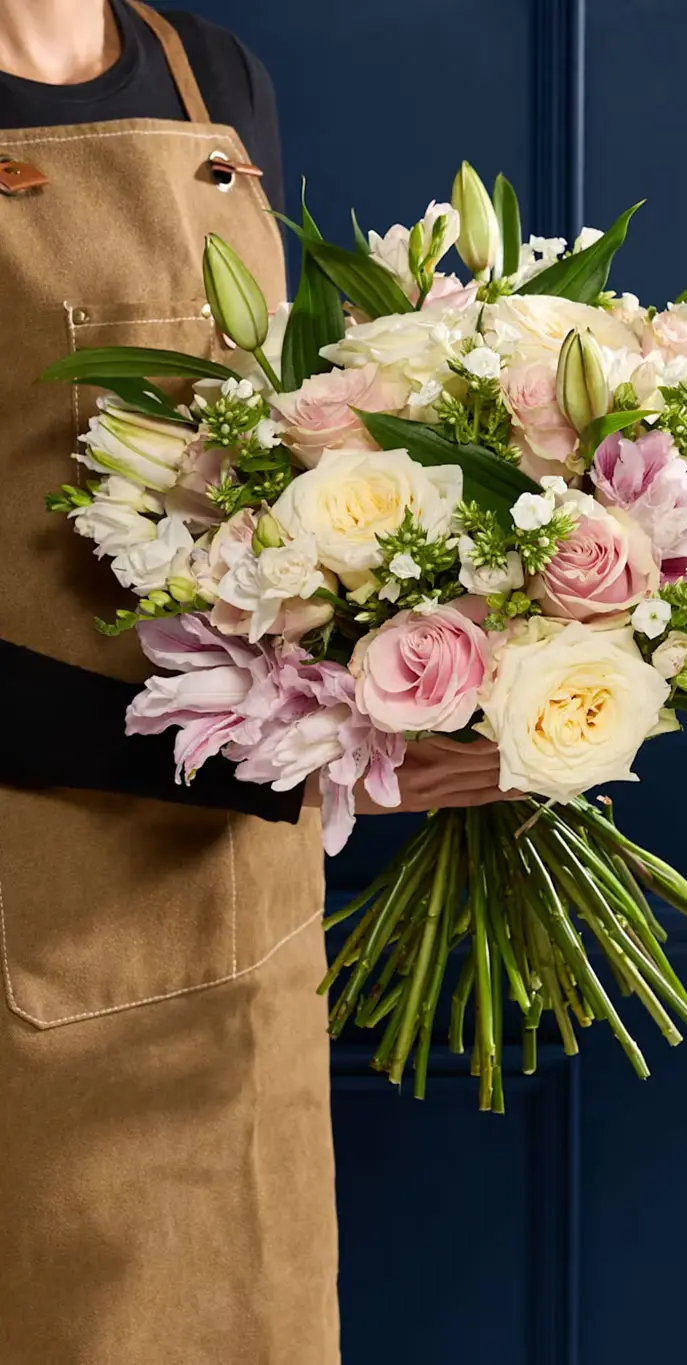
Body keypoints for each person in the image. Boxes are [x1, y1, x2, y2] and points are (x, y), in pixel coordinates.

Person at [0, 4, 507, 1362]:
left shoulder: (207, 74)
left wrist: (380, 679)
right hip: (31, 895)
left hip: (244, 915)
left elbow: (273, 437)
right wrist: (274, 753)